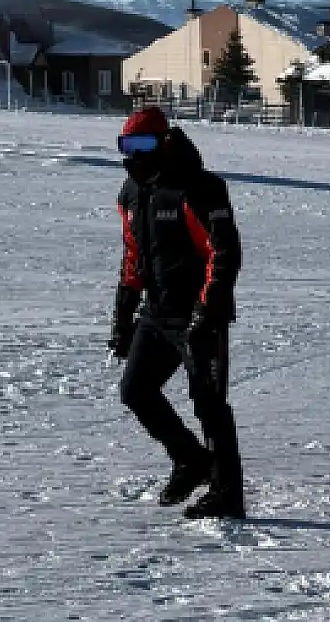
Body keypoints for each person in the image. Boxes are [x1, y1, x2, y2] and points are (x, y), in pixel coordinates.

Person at [109, 104, 246, 519]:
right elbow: (133, 258)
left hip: (198, 313)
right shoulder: (130, 195)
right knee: (135, 391)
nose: (134, 154)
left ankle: (227, 494)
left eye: (143, 144)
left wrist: (207, 311)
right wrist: (122, 316)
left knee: (208, 403)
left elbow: (224, 253)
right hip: (157, 312)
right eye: (126, 145)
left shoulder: (199, 188)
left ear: (164, 142)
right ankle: (190, 460)